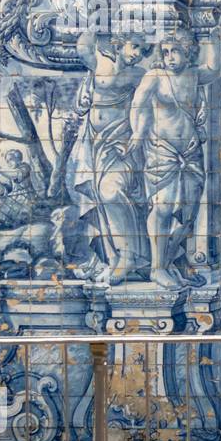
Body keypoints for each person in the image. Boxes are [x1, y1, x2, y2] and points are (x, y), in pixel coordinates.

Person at [127, 27, 221, 289]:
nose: (170, 57)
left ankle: (165, 262)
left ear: (188, 52)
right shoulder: (155, 76)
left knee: (188, 215)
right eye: (166, 52)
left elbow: (215, 69)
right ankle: (157, 268)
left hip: (191, 153)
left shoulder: (193, 75)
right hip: (163, 151)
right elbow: (138, 103)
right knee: (163, 208)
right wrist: (138, 131)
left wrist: (216, 38)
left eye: (175, 52)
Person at [75, 28, 151, 283]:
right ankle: (115, 256)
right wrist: (96, 21)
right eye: (134, 45)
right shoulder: (99, 63)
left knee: (110, 192)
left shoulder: (140, 75)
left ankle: (130, 256)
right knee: (99, 197)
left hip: (122, 143)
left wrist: (138, 135)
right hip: (95, 145)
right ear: (118, 44)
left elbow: (153, 105)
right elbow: (83, 45)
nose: (137, 53)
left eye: (142, 49)